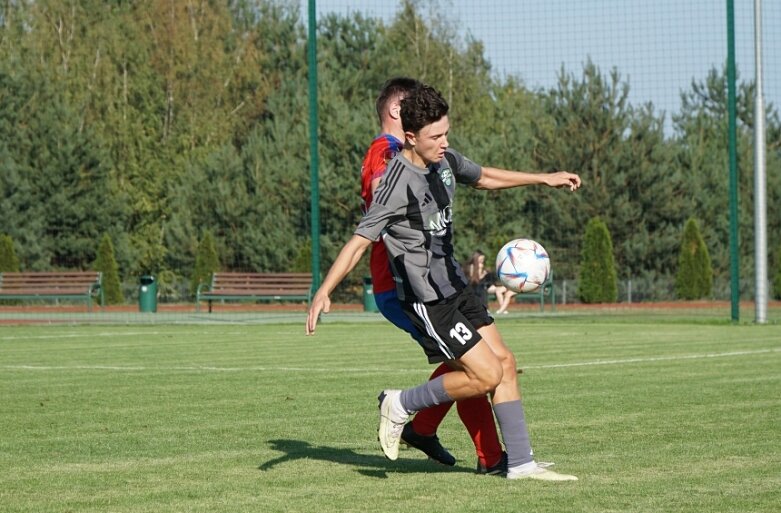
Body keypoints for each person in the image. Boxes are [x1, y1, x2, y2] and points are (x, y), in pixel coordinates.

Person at [307, 83, 581, 481]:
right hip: (428, 300)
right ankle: (400, 403)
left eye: (446, 132)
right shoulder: (394, 184)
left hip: (455, 287)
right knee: (485, 374)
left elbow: (484, 176)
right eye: (436, 136)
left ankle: (521, 463)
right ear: (412, 136)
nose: (444, 141)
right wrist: (324, 291)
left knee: (505, 362)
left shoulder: (444, 160)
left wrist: (543, 178)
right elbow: (358, 242)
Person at [361, 78, 505, 473]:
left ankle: (426, 430)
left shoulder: (423, 156)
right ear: (398, 113)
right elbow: (380, 189)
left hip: (433, 280)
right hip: (402, 285)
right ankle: (486, 456)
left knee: (470, 362)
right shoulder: (385, 152)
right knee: (470, 365)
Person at [463, 250, 517, 314]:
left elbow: (486, 280)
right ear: (476, 258)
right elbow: (475, 280)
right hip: (475, 286)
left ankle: (502, 310)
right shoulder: (471, 267)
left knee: (501, 290)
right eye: (481, 259)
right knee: (483, 290)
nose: (482, 261)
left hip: (485, 285)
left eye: (483, 259)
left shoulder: (481, 265)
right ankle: (487, 308)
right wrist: (482, 274)